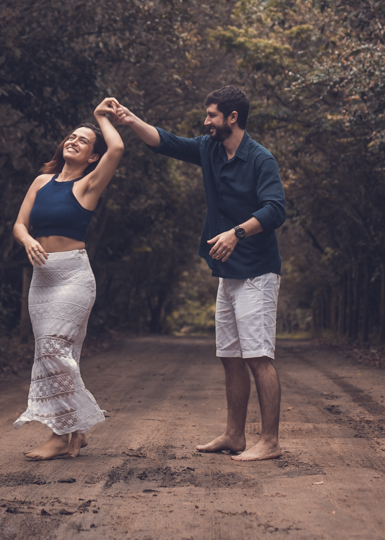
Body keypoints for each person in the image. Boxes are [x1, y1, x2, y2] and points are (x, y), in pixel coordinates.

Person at [113, 86, 286, 461]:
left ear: (232, 118)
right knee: (231, 355)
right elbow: (167, 143)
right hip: (227, 272)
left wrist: (238, 232)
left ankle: (270, 441)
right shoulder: (209, 149)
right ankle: (234, 435)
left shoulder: (260, 159)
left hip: (257, 271)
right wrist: (129, 119)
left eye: (211, 115)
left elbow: (276, 210)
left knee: (258, 356)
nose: (206, 121)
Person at [11, 98, 124, 461]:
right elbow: (19, 224)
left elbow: (118, 147)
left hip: (73, 277)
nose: (73, 141)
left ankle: (62, 436)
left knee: (52, 350)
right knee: (55, 355)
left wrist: (100, 117)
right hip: (42, 281)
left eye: (83, 141)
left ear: (93, 157)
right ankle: (74, 428)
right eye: (71, 137)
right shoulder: (42, 181)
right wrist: (27, 239)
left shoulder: (89, 185)